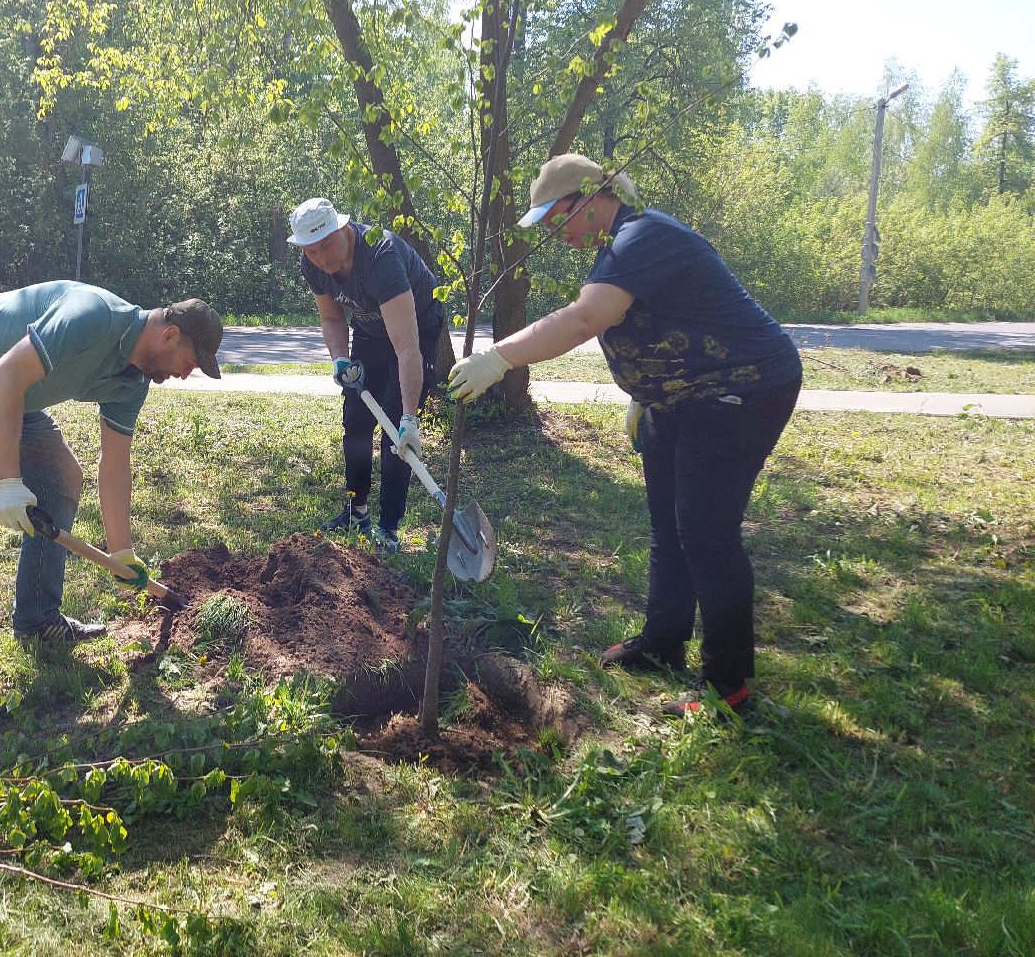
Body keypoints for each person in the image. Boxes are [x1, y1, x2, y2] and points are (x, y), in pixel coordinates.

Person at [450, 155, 801, 717]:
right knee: (669, 521)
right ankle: (663, 640)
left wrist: (499, 358)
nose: (549, 228)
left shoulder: (644, 235)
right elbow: (659, 319)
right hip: (680, 398)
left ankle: (727, 685)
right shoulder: (619, 244)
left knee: (707, 532)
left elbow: (587, 319)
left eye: (553, 216)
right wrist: (646, 390)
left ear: (588, 199)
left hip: (741, 390)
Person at [0, 281, 224, 717]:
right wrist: (7, 483)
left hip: (14, 390)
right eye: (189, 363)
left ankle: (38, 620)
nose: (185, 375)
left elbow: (114, 467)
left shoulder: (132, 382)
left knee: (61, 477)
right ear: (169, 335)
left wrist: (122, 552)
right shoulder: (91, 317)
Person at [289, 197, 445, 553]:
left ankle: (388, 528)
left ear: (344, 229)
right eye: (311, 251)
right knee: (357, 420)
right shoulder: (312, 265)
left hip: (415, 327)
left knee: (395, 432)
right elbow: (331, 318)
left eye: (327, 245)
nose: (322, 258)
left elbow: (407, 348)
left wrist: (409, 417)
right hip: (370, 330)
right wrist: (340, 359)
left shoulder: (381, 257)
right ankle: (356, 511)